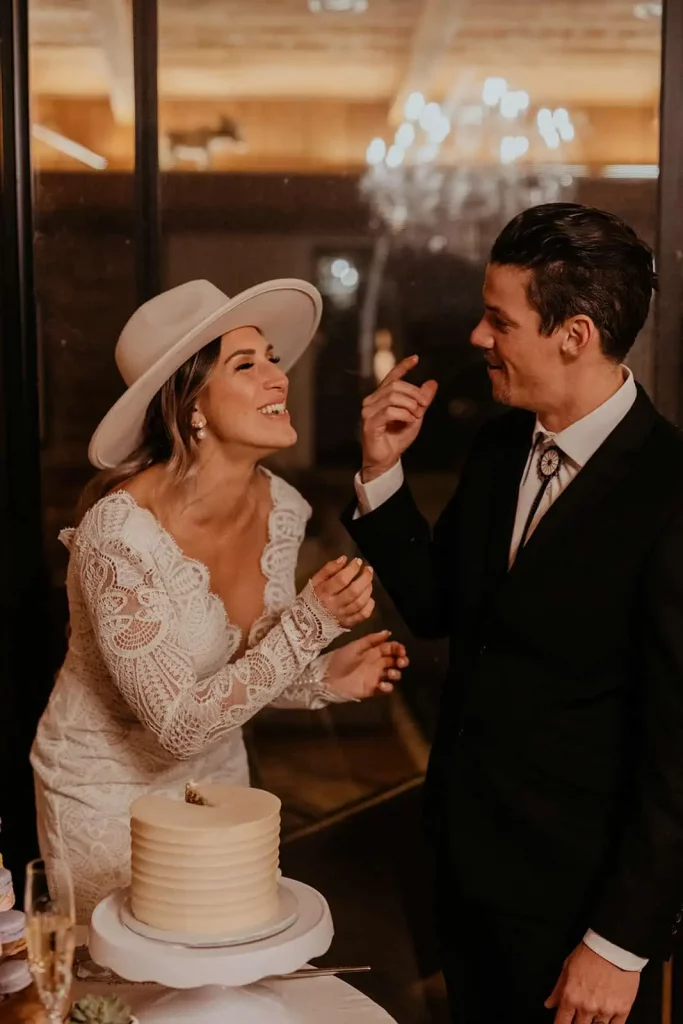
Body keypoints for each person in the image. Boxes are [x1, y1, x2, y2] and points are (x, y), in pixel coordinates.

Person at [343, 204, 683, 1024]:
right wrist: (381, 473)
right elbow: (436, 607)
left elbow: (679, 753)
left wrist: (618, 943)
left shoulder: (670, 491)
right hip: (465, 877)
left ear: (573, 335)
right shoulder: (499, 447)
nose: (477, 337)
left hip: (581, 915)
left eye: (499, 321)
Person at [32, 277, 408, 921]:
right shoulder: (118, 536)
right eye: (246, 364)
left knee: (222, 956)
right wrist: (311, 624)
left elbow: (237, 671)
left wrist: (323, 680)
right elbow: (177, 723)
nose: (278, 377)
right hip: (104, 791)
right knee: (120, 978)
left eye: (272, 359)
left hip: (218, 780)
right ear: (192, 408)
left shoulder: (283, 507)